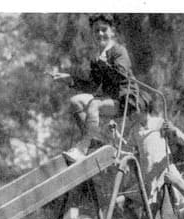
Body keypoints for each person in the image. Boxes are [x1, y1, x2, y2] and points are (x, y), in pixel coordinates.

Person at [51, 13, 148, 162]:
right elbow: (92, 85)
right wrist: (70, 80)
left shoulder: (118, 51)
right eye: (96, 30)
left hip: (126, 99)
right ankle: (94, 140)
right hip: (109, 99)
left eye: (104, 29)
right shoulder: (97, 57)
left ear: (112, 31)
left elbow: (122, 77)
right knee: (76, 101)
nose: (100, 34)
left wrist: (105, 63)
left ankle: (83, 148)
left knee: (95, 104)